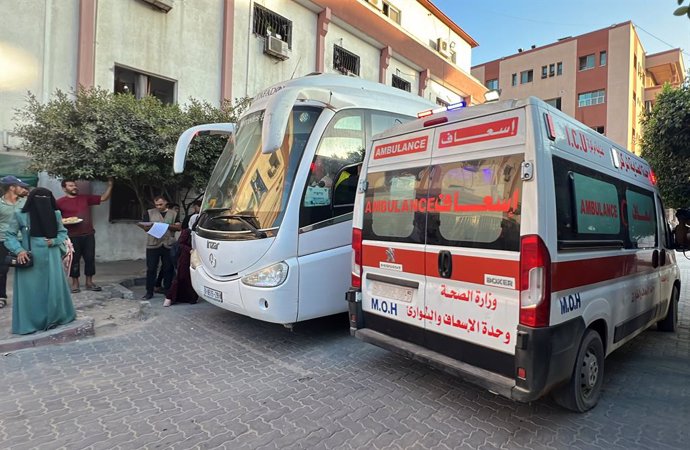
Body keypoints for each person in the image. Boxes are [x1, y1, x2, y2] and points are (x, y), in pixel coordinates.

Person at [4, 188, 75, 335]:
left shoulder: (56, 214)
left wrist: (54, 241)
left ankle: (55, 318)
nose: (42, 201)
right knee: (32, 291)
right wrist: (19, 251)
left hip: (52, 256)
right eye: (39, 198)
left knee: (53, 288)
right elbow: (9, 236)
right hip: (30, 258)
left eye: (46, 198)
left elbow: (63, 233)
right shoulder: (20, 215)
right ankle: (33, 322)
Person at [56, 178, 114, 293]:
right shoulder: (59, 202)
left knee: (89, 258)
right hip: (72, 236)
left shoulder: (85, 198)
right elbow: (55, 218)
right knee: (74, 260)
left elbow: (103, 198)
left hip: (88, 234)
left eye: (74, 185)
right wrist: (63, 221)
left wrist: (110, 186)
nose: (74, 187)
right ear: (64, 188)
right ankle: (75, 283)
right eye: (71, 186)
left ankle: (89, 282)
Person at [137, 196, 181, 300]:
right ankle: (149, 292)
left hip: (168, 244)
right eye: (156, 205)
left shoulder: (173, 213)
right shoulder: (149, 212)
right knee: (151, 269)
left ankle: (168, 291)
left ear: (166, 203)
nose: (158, 207)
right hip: (153, 244)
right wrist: (152, 226)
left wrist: (164, 225)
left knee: (168, 269)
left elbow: (178, 227)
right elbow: (145, 227)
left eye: (160, 204)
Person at [0, 176, 30, 309]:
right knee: (1, 270)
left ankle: (27, 296)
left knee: (28, 266)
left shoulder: (26, 202)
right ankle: (1, 297)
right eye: (20, 186)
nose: (23, 189)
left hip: (23, 239)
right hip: (3, 240)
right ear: (12, 187)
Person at [163, 228, 198, 307]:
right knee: (181, 276)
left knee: (191, 278)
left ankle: (190, 297)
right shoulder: (187, 231)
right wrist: (189, 250)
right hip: (185, 257)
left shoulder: (199, 231)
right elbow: (180, 243)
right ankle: (169, 297)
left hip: (195, 257)